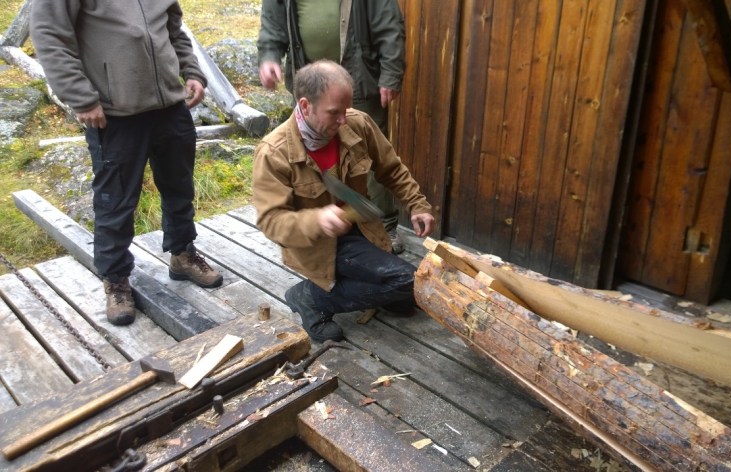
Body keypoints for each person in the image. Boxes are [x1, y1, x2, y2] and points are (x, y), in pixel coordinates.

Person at [30, 0, 223, 326]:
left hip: (169, 105)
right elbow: (49, 36)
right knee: (115, 200)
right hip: (113, 114)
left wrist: (191, 70)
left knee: (180, 185)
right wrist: (81, 97)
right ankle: (116, 280)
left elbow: (174, 29)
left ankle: (182, 253)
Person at [252, 60, 435, 342]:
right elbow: (270, 222)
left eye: (346, 109)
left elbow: (391, 168)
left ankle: (362, 288)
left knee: (411, 293)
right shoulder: (273, 153)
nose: (342, 121)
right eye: (333, 112)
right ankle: (310, 298)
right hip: (316, 246)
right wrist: (317, 220)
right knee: (406, 281)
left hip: (361, 233)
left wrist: (417, 203)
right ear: (305, 106)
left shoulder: (356, 123)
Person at [256, 0, 408, 253]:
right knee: (316, 156)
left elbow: (389, 25)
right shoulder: (273, 149)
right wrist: (269, 55)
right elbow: (272, 21)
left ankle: (384, 225)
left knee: (369, 157)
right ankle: (324, 225)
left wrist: (390, 73)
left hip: (358, 80)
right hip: (311, 85)